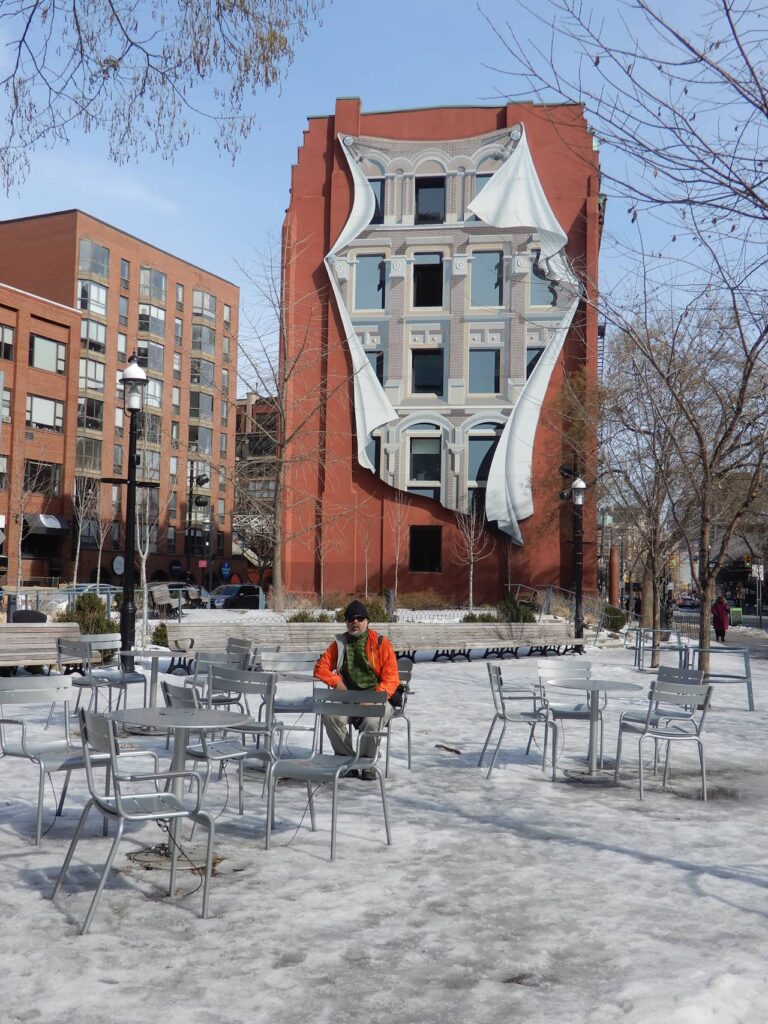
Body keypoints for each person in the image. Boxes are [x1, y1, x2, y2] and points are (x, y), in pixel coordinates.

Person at [314, 599, 400, 779]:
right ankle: (347, 761)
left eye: (360, 618)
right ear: (346, 622)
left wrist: (374, 698)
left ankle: (368, 763)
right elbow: (320, 668)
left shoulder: (381, 643)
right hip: (349, 699)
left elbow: (392, 679)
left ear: (367, 621)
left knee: (371, 720)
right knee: (330, 715)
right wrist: (336, 682)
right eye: (351, 619)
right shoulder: (339, 644)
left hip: (378, 698)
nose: (355, 622)